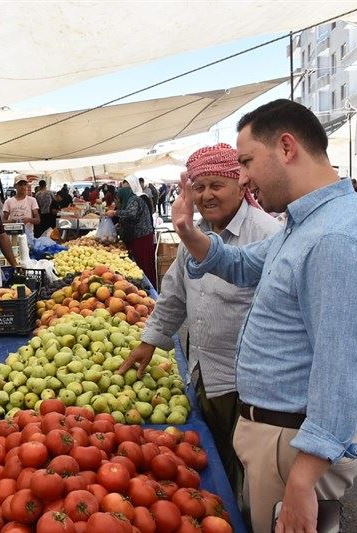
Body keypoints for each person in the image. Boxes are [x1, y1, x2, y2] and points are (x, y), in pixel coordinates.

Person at [164, 99, 357, 533]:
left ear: (287, 148)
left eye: (247, 161)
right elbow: (242, 264)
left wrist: (303, 481)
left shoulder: (336, 239)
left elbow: (342, 371)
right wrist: (188, 233)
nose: (244, 177)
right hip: (277, 440)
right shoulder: (307, 224)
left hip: (292, 446)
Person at [118, 144, 280, 493]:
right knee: (214, 463)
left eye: (216, 185)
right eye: (199, 186)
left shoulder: (267, 235)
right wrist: (149, 341)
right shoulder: (197, 233)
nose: (207, 194)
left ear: (241, 185)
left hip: (250, 387)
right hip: (204, 371)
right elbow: (175, 293)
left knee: (252, 475)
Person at [105, 176, 157, 286]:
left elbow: (131, 213)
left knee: (143, 263)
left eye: (126, 188)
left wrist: (115, 213)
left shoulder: (136, 198)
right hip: (138, 236)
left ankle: (148, 286)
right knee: (139, 263)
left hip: (141, 236)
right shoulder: (132, 199)